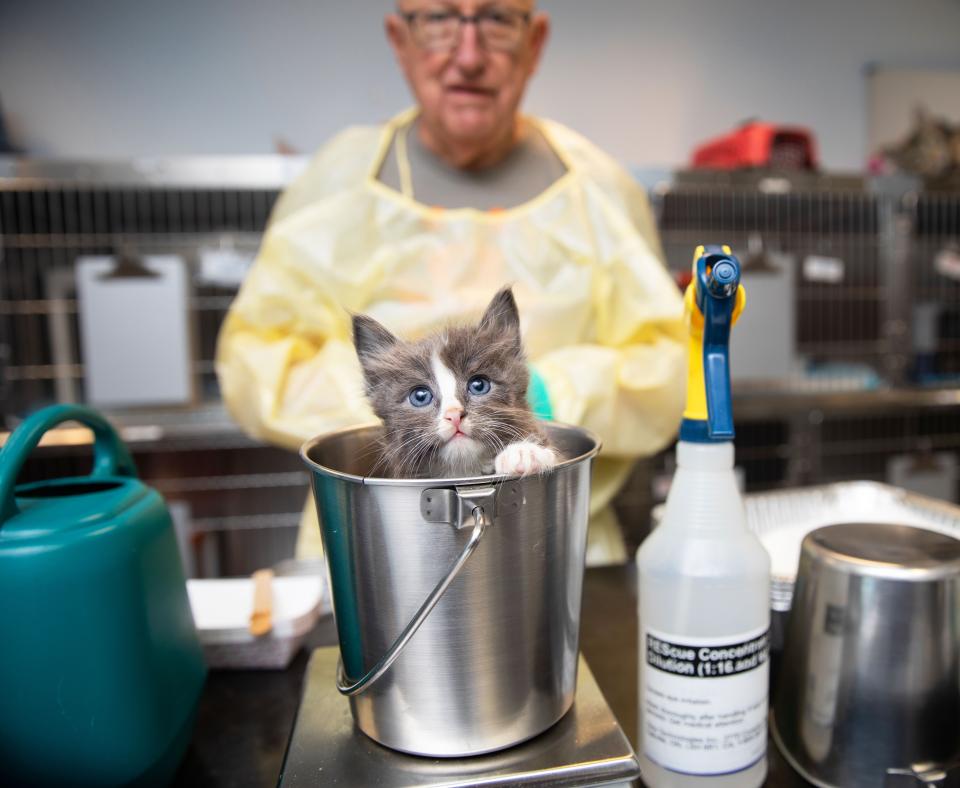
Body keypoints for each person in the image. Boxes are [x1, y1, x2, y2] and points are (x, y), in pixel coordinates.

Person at [215, 0, 686, 564]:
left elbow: (669, 367)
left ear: (534, 42)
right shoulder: (335, 183)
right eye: (440, 19)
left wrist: (546, 394)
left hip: (556, 540)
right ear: (399, 39)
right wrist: (402, 406)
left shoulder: (601, 191)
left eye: (495, 20)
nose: (468, 56)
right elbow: (255, 367)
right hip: (376, 543)